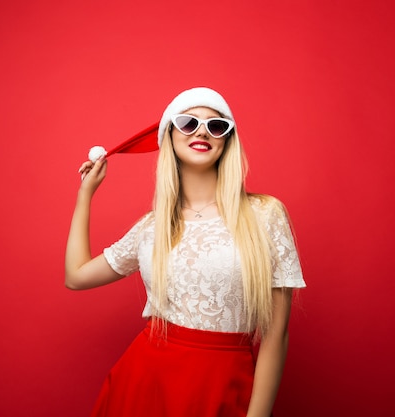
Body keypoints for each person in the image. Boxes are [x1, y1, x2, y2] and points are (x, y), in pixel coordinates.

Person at [65, 87, 305, 417]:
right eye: (188, 123)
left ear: (226, 140)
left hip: (224, 385)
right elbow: (76, 276)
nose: (203, 131)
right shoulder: (153, 226)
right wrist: (85, 196)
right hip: (144, 385)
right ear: (170, 136)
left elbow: (277, 335)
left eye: (216, 125)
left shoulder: (265, 215)